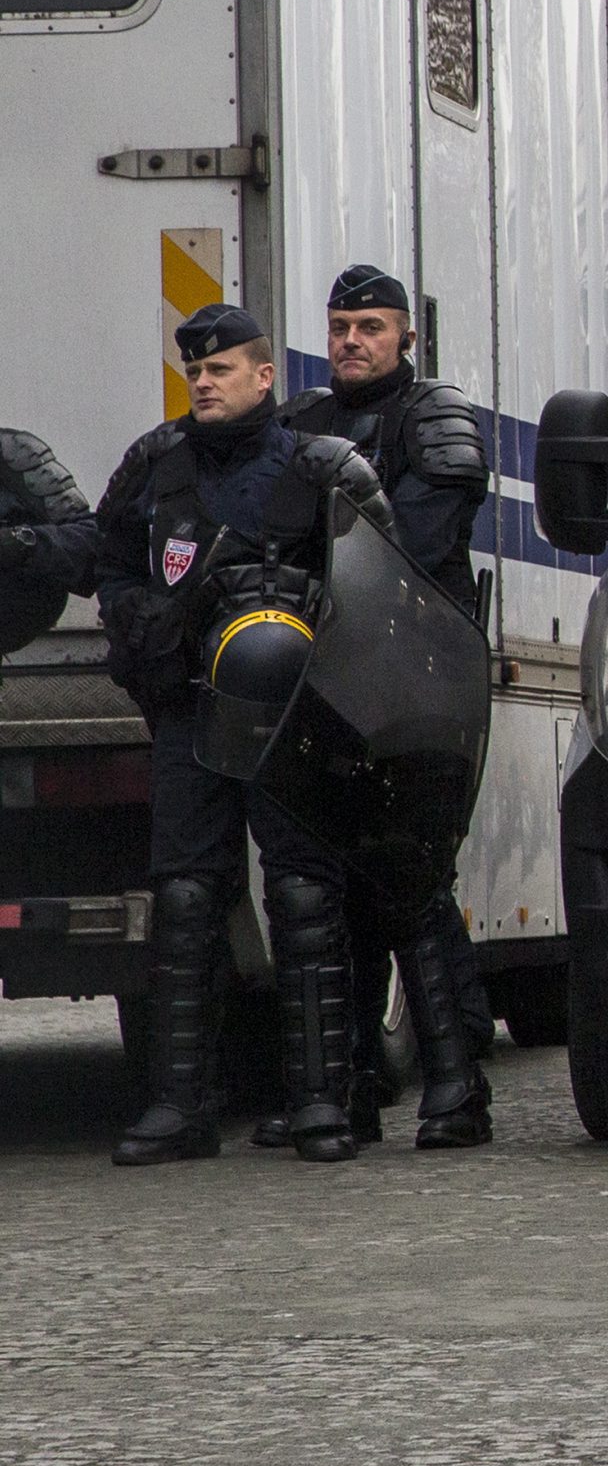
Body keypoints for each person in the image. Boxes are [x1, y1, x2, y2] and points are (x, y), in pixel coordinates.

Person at [32, 306, 386, 1165]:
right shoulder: (158, 463)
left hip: (284, 712)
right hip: (190, 704)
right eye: (195, 370)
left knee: (303, 895)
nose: (203, 381)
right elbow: (107, 556)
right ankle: (182, 1104)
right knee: (186, 899)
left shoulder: (312, 465)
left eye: (221, 369)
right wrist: (135, 617)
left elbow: (375, 578)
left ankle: (318, 1103)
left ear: (264, 377)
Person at [273, 263, 492, 1151]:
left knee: (411, 886)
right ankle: (356, 1086)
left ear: (406, 334)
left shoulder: (433, 419)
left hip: (415, 686)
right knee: (337, 891)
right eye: (338, 327)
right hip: (322, 688)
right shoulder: (302, 426)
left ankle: (455, 1088)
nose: (351, 341)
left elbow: (415, 546)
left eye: (369, 325)